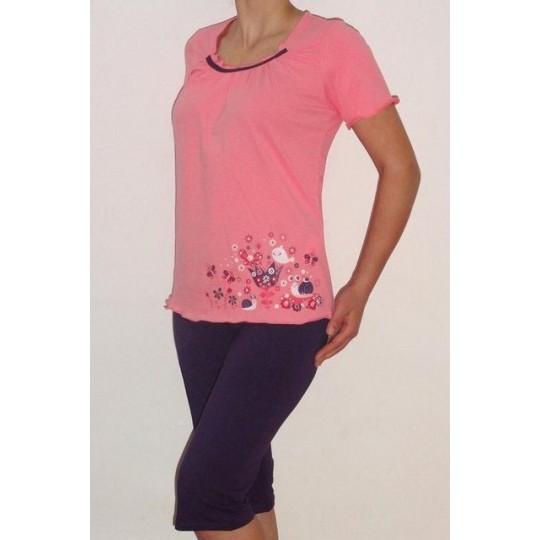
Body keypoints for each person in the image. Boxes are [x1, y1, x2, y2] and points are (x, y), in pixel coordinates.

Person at [164, 1, 421, 538]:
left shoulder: (330, 44)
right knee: (244, 488)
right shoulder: (200, 46)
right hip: (196, 308)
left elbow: (400, 167)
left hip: (285, 312)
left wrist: (361, 287)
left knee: (208, 492)